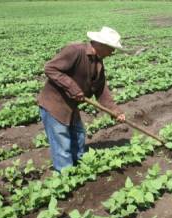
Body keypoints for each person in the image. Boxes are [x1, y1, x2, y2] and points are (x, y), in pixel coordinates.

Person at [37, 26, 126, 172]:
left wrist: (115, 111)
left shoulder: (98, 62)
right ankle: (65, 177)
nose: (113, 52)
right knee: (62, 143)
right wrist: (72, 88)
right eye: (111, 48)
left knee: (78, 136)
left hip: (71, 106)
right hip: (54, 104)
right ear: (101, 44)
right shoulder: (75, 50)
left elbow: (101, 90)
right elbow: (50, 68)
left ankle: (80, 169)